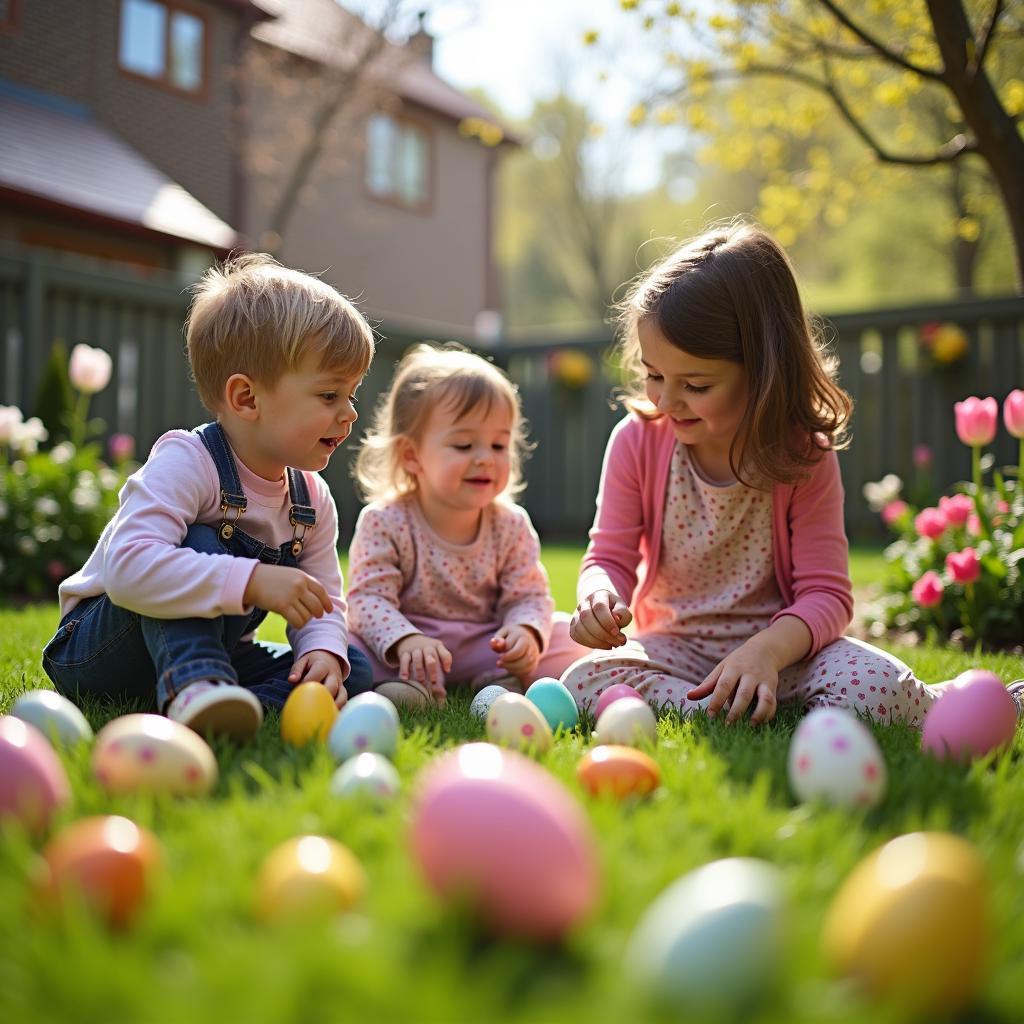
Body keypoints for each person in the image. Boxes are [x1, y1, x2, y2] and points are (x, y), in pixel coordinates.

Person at [565, 222, 964, 727]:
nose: (665, 400)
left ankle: (946, 701)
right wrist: (597, 595)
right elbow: (608, 556)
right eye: (654, 375)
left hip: (785, 652)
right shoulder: (636, 440)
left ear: (764, 372)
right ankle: (721, 704)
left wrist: (767, 654)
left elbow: (827, 595)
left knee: (874, 688)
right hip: (673, 651)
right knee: (584, 682)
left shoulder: (802, 456)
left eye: (696, 384)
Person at [41, 253, 375, 740]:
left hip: (220, 648)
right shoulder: (189, 461)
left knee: (352, 670)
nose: (349, 413)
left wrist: (321, 652)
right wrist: (254, 579)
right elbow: (128, 569)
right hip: (100, 651)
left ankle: (236, 707)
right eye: (329, 395)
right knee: (200, 539)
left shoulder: (311, 501)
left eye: (352, 394)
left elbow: (324, 601)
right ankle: (195, 688)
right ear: (247, 398)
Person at [347, 344, 589, 706]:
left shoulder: (510, 524)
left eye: (498, 444)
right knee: (342, 643)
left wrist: (523, 632)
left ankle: (500, 678)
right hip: (409, 649)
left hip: (486, 645)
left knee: (567, 634)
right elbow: (367, 599)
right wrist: (403, 640)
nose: (485, 459)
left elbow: (528, 595)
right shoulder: (386, 521)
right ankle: (413, 689)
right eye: (463, 445)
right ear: (411, 455)